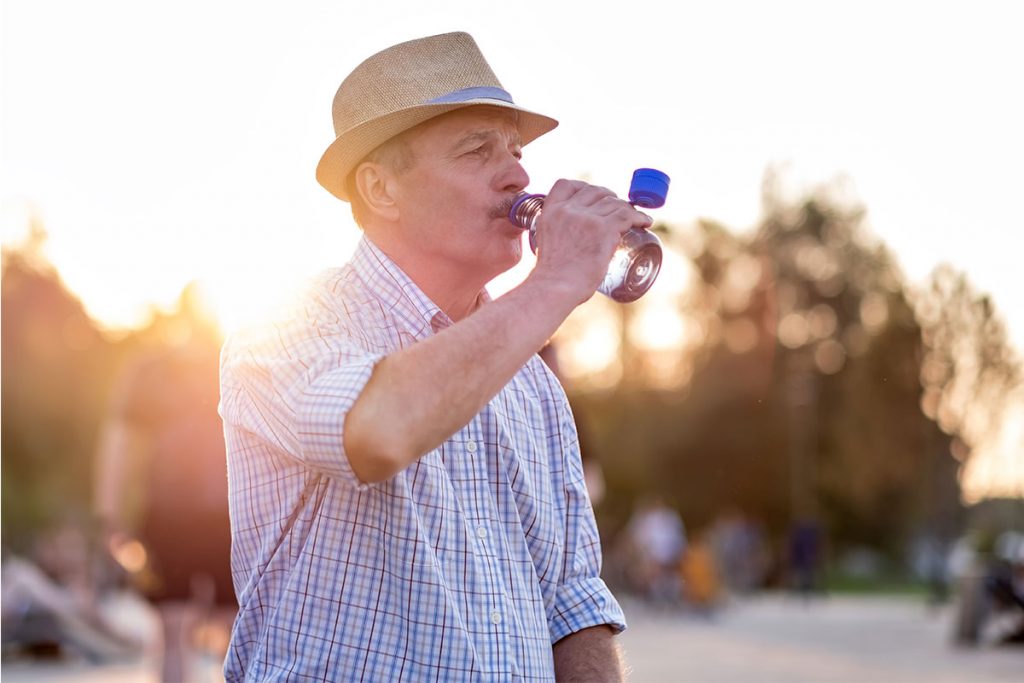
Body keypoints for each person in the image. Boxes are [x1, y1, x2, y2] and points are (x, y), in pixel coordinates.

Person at [219, 32, 652, 681]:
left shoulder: (534, 383)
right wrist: (558, 280)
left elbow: (572, 603)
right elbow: (377, 429)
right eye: (477, 151)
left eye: (516, 151)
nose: (519, 176)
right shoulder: (287, 322)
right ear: (381, 188)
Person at [95, 286, 236, 682]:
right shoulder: (160, 369)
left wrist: (109, 515)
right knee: (194, 626)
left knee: (213, 625)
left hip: (216, 511)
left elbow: (118, 442)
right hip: (185, 512)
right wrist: (109, 515)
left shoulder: (227, 360)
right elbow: (119, 440)